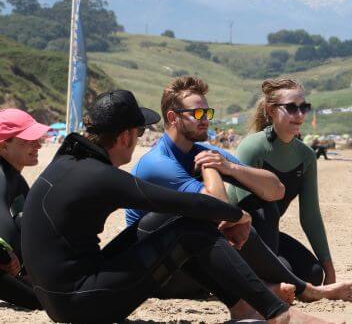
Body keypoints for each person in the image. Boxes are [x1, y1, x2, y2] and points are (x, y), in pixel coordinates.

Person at [22, 90, 330, 323]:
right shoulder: (100, 176)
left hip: (60, 297)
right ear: (127, 136)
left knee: (175, 221)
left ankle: (242, 307)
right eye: (140, 132)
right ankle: (278, 314)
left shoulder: (69, 159)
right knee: (190, 228)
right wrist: (237, 213)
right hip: (81, 304)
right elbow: (183, 201)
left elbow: (174, 207)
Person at [228, 77, 352, 300]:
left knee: (313, 273)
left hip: (270, 235)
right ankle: (264, 281)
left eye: (303, 108)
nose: (299, 115)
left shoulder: (306, 156)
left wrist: (330, 271)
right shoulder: (253, 147)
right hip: (238, 237)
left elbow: (310, 216)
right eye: (291, 108)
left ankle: (277, 279)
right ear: (271, 111)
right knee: (265, 208)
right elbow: (250, 214)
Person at [0, 109, 49, 310]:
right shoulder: (2, 178)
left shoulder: (15, 179)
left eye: (37, 139)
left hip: (11, 269)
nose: (38, 145)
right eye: (28, 140)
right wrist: (4, 256)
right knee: (46, 302)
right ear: (3, 146)